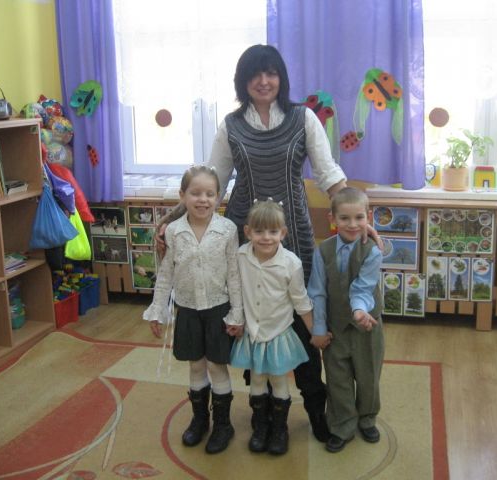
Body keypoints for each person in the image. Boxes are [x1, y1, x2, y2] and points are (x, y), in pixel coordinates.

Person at [157, 44, 349, 442]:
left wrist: (361, 218)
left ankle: (316, 412)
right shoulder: (231, 125)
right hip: (242, 240)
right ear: (243, 82)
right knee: (250, 320)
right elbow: (210, 180)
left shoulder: (303, 118)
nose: (264, 81)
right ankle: (263, 417)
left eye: (271, 73)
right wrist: (172, 218)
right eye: (255, 74)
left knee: (299, 320)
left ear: (281, 77)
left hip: (292, 236)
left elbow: (329, 174)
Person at [144, 165, 244, 455]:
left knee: (216, 365)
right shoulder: (174, 232)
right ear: (183, 196)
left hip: (218, 309)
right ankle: (200, 419)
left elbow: (234, 274)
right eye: (195, 193)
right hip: (187, 309)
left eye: (210, 194)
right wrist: (157, 310)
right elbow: (166, 274)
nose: (203, 199)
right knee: (196, 365)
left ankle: (223, 424)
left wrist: (237, 313)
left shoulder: (227, 229)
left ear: (218, 197)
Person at [230, 200, 314, 455]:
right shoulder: (241, 256)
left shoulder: (291, 263)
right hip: (252, 333)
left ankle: (279, 429)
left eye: (273, 231)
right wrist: (235, 319)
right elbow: (234, 289)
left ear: (283, 233)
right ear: (248, 232)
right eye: (259, 231)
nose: (266, 237)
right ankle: (261, 427)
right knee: (256, 378)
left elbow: (301, 301)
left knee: (278, 380)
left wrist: (315, 332)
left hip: (278, 333)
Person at [307, 187, 384, 453]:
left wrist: (359, 312)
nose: (352, 224)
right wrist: (318, 329)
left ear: (368, 217)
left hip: (367, 327)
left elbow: (362, 288)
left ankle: (367, 418)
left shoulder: (372, 251)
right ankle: (342, 425)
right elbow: (317, 291)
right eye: (345, 218)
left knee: (368, 376)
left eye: (359, 217)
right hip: (335, 329)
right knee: (337, 379)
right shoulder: (323, 251)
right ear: (332, 219)